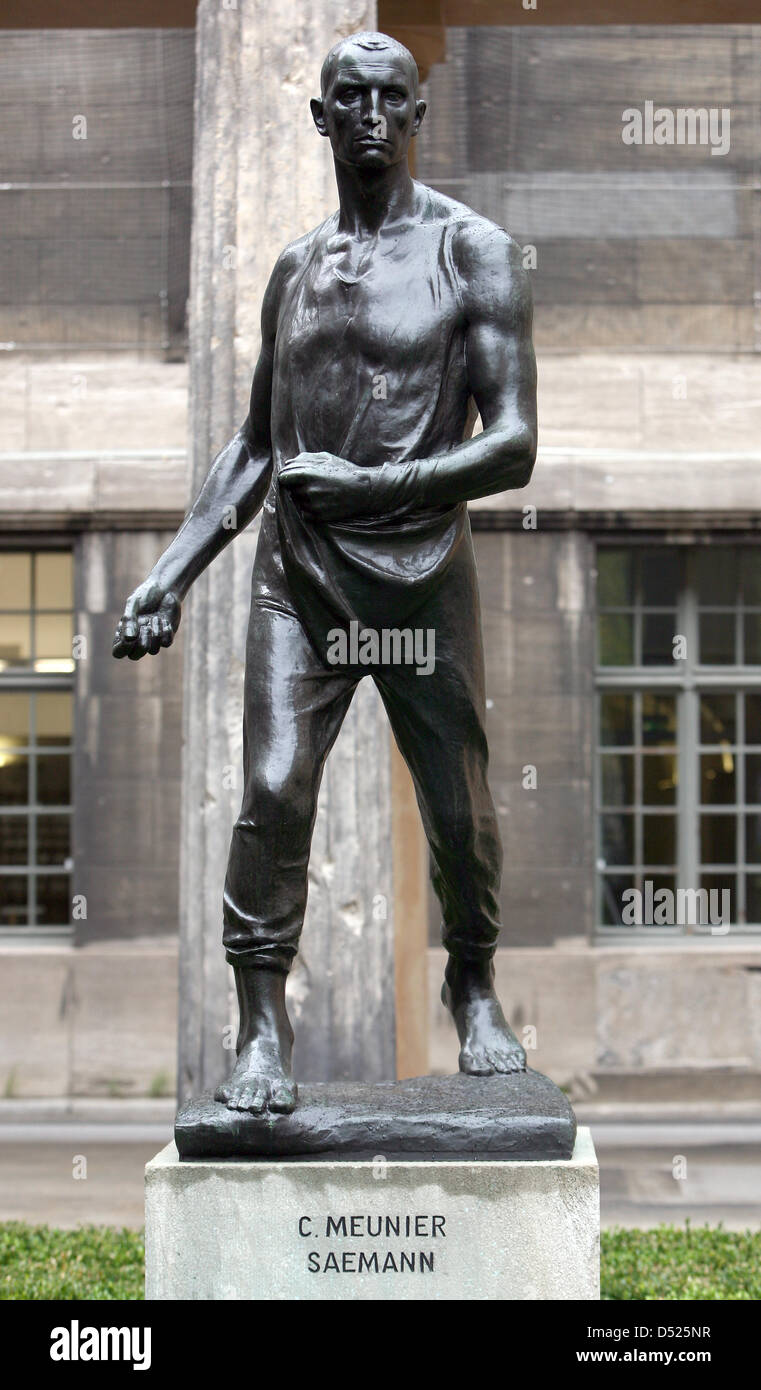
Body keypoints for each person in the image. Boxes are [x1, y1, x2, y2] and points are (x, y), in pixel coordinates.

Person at [113, 31, 537, 1116]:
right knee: (268, 791)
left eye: (388, 98)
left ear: (416, 113)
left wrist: (374, 484)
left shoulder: (471, 250)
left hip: (419, 578)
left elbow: (513, 443)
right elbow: (254, 445)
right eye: (345, 98)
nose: (367, 116)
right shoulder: (294, 270)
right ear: (318, 118)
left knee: (459, 809)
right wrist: (171, 570)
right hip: (298, 579)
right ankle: (262, 1024)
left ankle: (474, 981)